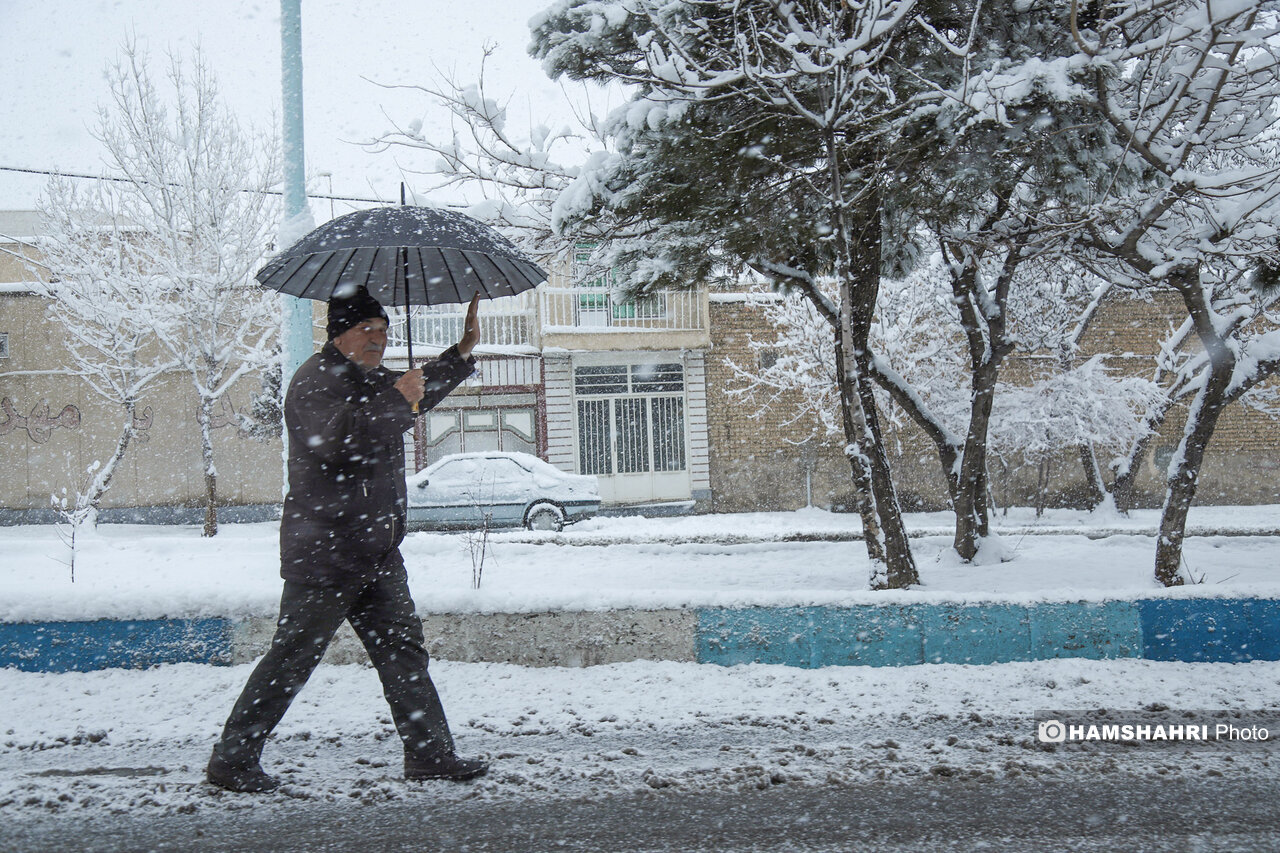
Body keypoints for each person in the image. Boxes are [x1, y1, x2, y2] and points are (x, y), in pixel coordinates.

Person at [206, 286, 488, 793]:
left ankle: (430, 754)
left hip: (376, 550)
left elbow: (415, 390)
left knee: (403, 653)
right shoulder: (313, 383)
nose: (378, 339)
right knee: (292, 657)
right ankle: (233, 759)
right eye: (366, 330)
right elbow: (338, 441)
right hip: (328, 554)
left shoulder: (370, 379)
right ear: (339, 335)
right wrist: (398, 398)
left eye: (383, 330)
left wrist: (460, 353)